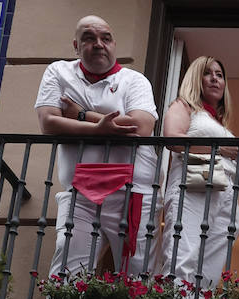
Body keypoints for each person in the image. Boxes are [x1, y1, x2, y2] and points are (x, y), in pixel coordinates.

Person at [35, 15, 160, 282]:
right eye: (89, 38)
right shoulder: (59, 72)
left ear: (114, 44)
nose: (98, 44)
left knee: (137, 271)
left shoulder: (134, 80)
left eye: (105, 38)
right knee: (68, 266)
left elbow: (140, 127)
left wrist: (81, 115)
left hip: (130, 188)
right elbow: (48, 122)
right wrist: (101, 128)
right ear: (76, 45)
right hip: (80, 188)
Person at [161, 56, 239, 299]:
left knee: (225, 238)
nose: (215, 78)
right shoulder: (184, 106)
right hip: (193, 187)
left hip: (222, 191)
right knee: (185, 251)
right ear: (195, 79)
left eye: (220, 74)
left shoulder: (218, 122)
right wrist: (221, 148)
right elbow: (172, 137)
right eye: (208, 73)